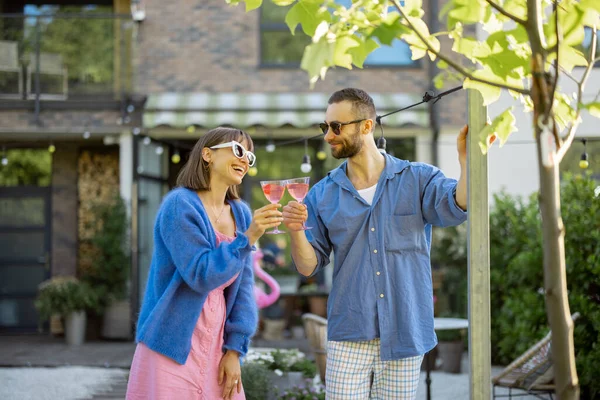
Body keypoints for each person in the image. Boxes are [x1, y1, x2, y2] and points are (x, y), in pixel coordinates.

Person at [282, 88, 471, 399]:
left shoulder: (417, 178)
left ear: (366, 126)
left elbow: (457, 206)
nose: (328, 135)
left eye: (336, 127)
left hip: (405, 330)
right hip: (350, 331)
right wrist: (294, 230)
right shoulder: (322, 193)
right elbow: (307, 266)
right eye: (325, 127)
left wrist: (466, 163)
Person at [126, 127, 283, 400]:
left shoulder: (241, 214)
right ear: (208, 154)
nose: (245, 159)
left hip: (217, 345)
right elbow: (200, 273)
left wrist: (234, 350)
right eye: (238, 150)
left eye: (250, 156)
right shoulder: (179, 206)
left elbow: (245, 289)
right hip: (171, 344)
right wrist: (247, 239)